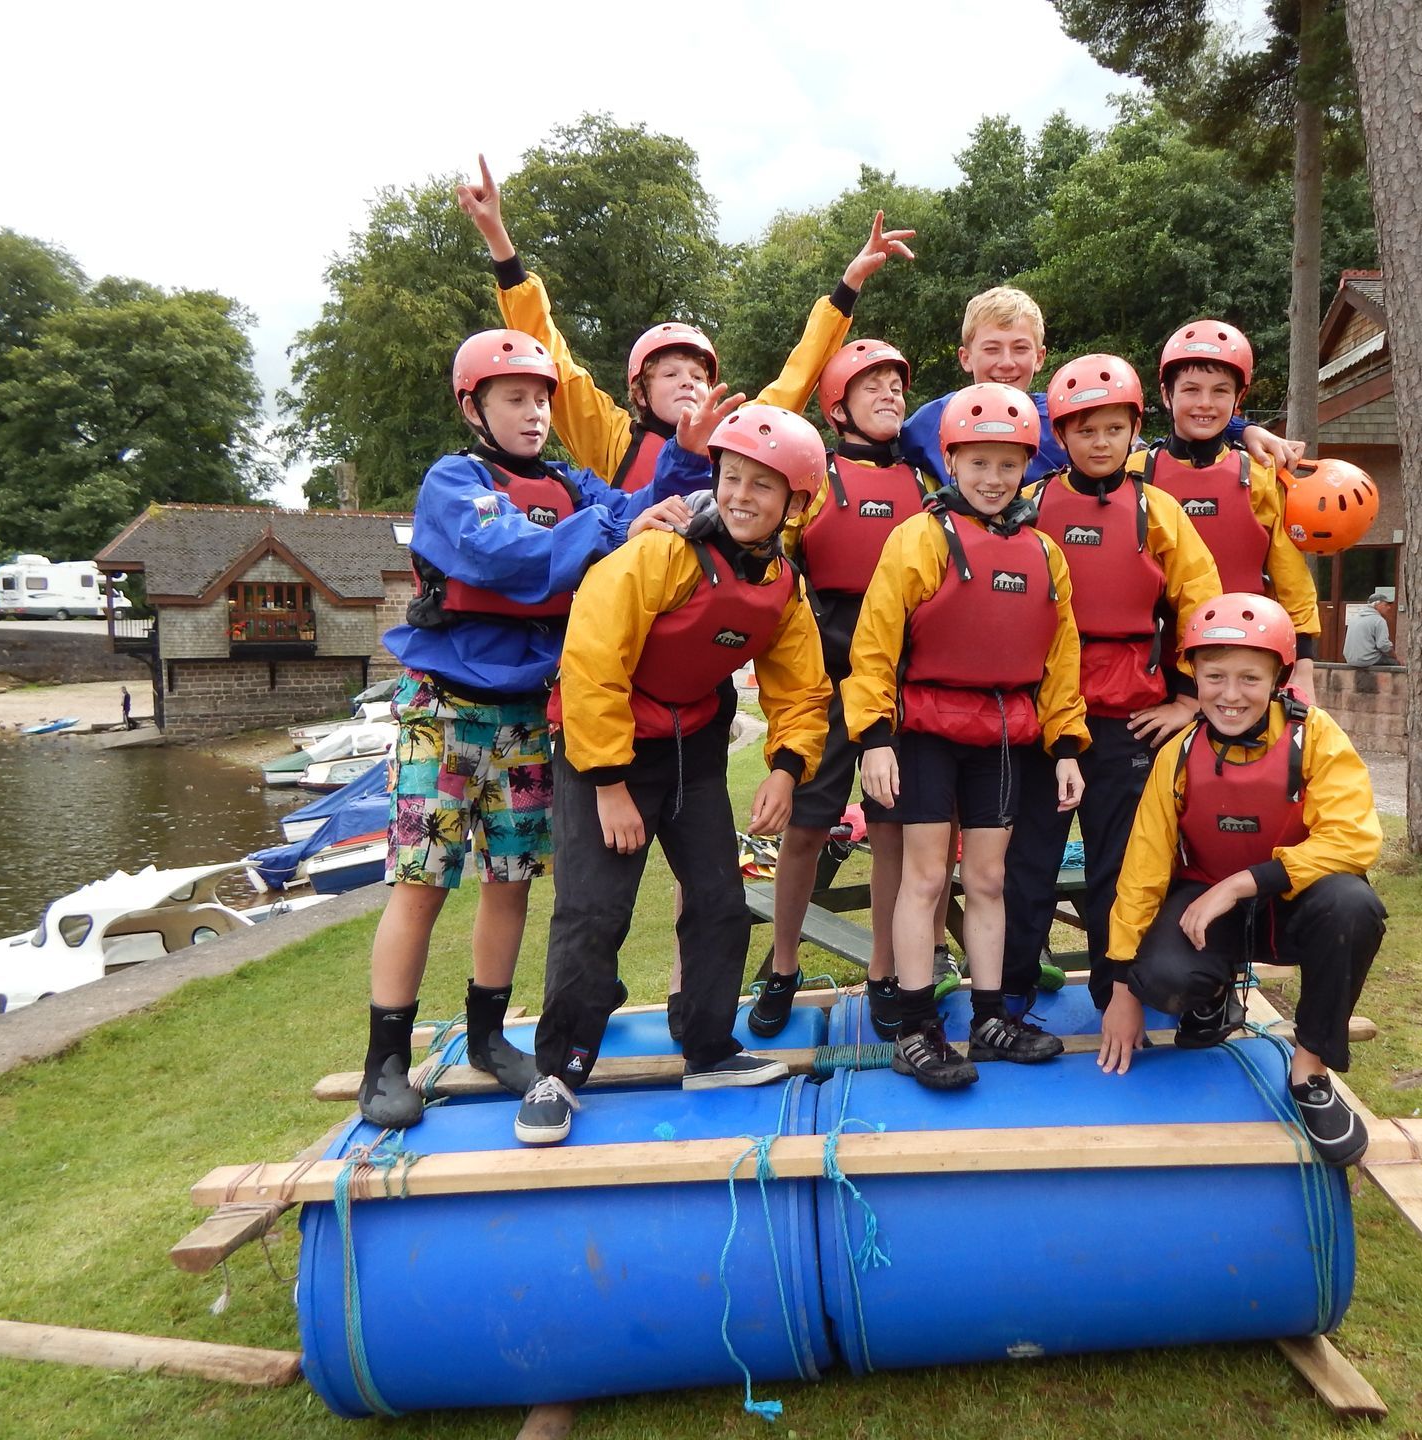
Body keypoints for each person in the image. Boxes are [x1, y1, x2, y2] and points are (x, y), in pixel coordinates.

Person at [358, 330, 688, 1131]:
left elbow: (642, 510)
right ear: (474, 406)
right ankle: (386, 1061)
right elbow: (507, 556)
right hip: (446, 713)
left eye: (542, 398)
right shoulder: (454, 482)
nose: (535, 412)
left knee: (510, 883)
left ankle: (486, 1035)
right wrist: (618, 531)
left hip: (526, 716)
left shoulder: (574, 487)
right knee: (423, 882)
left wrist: (688, 455)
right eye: (515, 398)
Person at [515, 394, 832, 1145]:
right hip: (606, 752)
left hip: (691, 754)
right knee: (596, 910)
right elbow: (591, 663)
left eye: (764, 484)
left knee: (721, 901)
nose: (742, 496)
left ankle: (708, 1046)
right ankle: (559, 1070)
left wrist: (787, 768)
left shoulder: (782, 587)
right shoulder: (663, 553)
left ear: (795, 502)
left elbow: (803, 688)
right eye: (733, 478)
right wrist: (610, 784)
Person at [844, 382, 1089, 1090]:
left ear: (1026, 468)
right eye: (978, 463)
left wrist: (1068, 745)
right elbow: (875, 645)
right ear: (951, 461)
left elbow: (1060, 656)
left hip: (1006, 736)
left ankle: (989, 1016)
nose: (992, 478)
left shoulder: (1046, 552)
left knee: (986, 880)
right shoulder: (919, 539)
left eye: (1007, 465)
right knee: (924, 878)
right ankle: (917, 1026)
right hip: (923, 731)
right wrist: (875, 736)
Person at [1099, 593, 1386, 1167]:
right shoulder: (1178, 753)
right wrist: (1124, 990)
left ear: (1279, 676)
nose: (1230, 695)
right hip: (1211, 912)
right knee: (1160, 976)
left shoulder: (1316, 738)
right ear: (1194, 678)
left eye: (1249, 678)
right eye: (1215, 677)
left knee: (1354, 906)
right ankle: (1211, 997)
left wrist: (1244, 882)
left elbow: (1354, 841)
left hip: (1292, 906)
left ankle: (1310, 1073)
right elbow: (1144, 868)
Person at [457, 155, 911, 490]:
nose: (687, 383)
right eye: (671, 374)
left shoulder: (743, 431)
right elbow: (547, 348)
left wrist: (848, 284)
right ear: (640, 392)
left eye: (697, 376)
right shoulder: (612, 439)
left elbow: (801, 371)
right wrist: (498, 238)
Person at [1000, 355, 1222, 1020]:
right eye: (1085, 429)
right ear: (1060, 436)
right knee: (1028, 861)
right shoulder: (1030, 506)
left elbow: (1200, 606)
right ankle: (1009, 989)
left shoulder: (1158, 512)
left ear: (1134, 432)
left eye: (1113, 429)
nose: (1100, 442)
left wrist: (1189, 700)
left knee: (1119, 867)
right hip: (1044, 718)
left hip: (1129, 719)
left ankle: (1114, 988)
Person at [748, 339, 944, 1044]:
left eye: (898, 384)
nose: (892, 394)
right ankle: (782, 965)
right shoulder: (819, 480)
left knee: (893, 830)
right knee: (804, 829)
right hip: (826, 674)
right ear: (836, 408)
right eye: (874, 387)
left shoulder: (928, 482)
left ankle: (885, 971)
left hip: (902, 679)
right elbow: (775, 562)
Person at [900, 288, 1302, 489]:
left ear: (1039, 358)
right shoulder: (927, 423)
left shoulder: (1065, 416)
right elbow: (866, 447)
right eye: (992, 349)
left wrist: (1239, 429)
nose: (1006, 362)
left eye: (1019, 349)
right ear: (965, 357)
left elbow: (1159, 447)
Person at [1128, 319, 1321, 700]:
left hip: (1243, 662)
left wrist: (1305, 668)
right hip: (1155, 666)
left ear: (1237, 400)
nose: (1204, 403)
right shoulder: (1135, 474)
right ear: (1166, 395)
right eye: (1191, 390)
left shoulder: (1259, 476)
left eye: (1220, 391)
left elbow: (1291, 580)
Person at [1344, 588, 1399, 668]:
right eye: (1386, 605)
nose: (1389, 608)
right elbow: (1383, 645)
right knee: (1396, 664)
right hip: (1367, 660)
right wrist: (1396, 657)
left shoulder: (1355, 617)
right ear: (1376, 605)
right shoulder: (1379, 620)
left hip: (1350, 659)